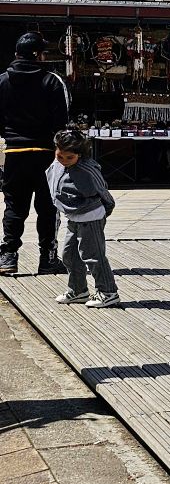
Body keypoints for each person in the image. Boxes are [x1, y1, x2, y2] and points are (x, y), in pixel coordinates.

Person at [0, 31, 70, 277]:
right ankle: (47, 258)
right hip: (46, 153)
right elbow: (62, 121)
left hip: (15, 152)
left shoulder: (2, 81)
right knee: (48, 207)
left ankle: (9, 255)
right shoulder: (52, 81)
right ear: (39, 55)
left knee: (14, 206)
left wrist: (10, 135)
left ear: (16, 54)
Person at [47, 125, 120, 307]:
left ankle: (108, 292)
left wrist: (108, 207)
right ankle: (78, 290)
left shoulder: (87, 168)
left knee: (93, 256)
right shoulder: (56, 165)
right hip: (73, 217)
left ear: (79, 155)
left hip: (91, 216)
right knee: (69, 255)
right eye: (60, 156)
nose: (64, 161)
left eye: (69, 157)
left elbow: (102, 189)